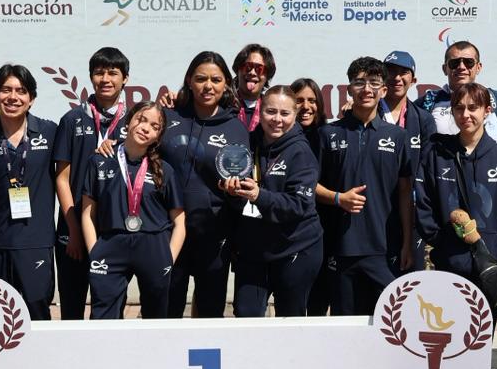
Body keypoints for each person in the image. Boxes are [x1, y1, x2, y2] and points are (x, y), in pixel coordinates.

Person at [315, 57, 414, 316]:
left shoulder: (398, 137)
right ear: (349, 89)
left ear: (383, 90)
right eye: (359, 82)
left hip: (384, 249)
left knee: (387, 325)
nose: (366, 89)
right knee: (345, 327)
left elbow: (405, 194)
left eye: (374, 82)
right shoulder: (328, 134)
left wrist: (406, 242)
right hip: (340, 248)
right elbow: (309, 186)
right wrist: (338, 198)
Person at [159, 51, 251, 317]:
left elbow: (242, 187)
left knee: (210, 313)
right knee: (166, 311)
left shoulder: (235, 128)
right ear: (189, 80)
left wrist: (234, 191)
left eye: (216, 79)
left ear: (226, 84)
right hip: (168, 231)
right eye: (201, 79)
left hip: (214, 235)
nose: (208, 86)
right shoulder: (168, 117)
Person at [417, 82, 497, 291]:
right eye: (459, 108)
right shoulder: (436, 156)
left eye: (472, 108)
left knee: (488, 314)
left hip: (492, 265)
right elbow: (423, 205)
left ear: (487, 111)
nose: (465, 114)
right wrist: (443, 244)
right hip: (448, 265)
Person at [224, 86, 323, 317]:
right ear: (260, 111)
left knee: (289, 320)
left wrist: (259, 195)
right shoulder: (247, 144)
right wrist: (232, 193)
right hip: (254, 250)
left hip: (295, 247)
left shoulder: (301, 152)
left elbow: (299, 205)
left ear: (294, 115)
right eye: (271, 111)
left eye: (285, 113)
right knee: (246, 315)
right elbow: (240, 203)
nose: (277, 119)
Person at [81, 102, 185, 318]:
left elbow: (180, 222)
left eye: (154, 126)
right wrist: (95, 251)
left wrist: (168, 258)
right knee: (103, 317)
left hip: (153, 245)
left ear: (158, 137)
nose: (146, 128)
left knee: (156, 319)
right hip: (111, 244)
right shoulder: (99, 161)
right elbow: (88, 214)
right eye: (141, 119)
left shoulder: (164, 170)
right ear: (128, 122)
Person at [52, 46, 130, 319]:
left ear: (125, 78)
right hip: (72, 228)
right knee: (71, 308)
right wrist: (74, 229)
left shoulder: (135, 122)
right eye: (99, 73)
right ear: (90, 77)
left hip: (114, 230)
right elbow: (62, 178)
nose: (105, 79)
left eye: (113, 73)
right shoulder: (72, 119)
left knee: (109, 311)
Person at [0, 64, 59, 320]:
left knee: (37, 310)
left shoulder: (50, 132)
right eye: (6, 90)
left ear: (31, 98)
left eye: (21, 91)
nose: (13, 97)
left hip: (36, 238)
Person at [380, 51, 435, 275]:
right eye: (391, 71)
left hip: (411, 213)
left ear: (413, 80)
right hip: (376, 211)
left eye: (403, 72)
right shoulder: (367, 114)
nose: (396, 77)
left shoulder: (423, 119)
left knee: (411, 281)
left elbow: (426, 168)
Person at [291, 77, 334, 317]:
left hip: (322, 227)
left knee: (318, 299)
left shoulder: (328, 135)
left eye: (312, 100)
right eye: (299, 100)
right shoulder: (280, 138)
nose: (306, 106)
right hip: (291, 227)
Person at [232, 43, 274, 134]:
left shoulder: (272, 110)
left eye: (259, 69)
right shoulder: (225, 105)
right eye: (247, 67)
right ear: (238, 70)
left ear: (267, 76)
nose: (252, 72)